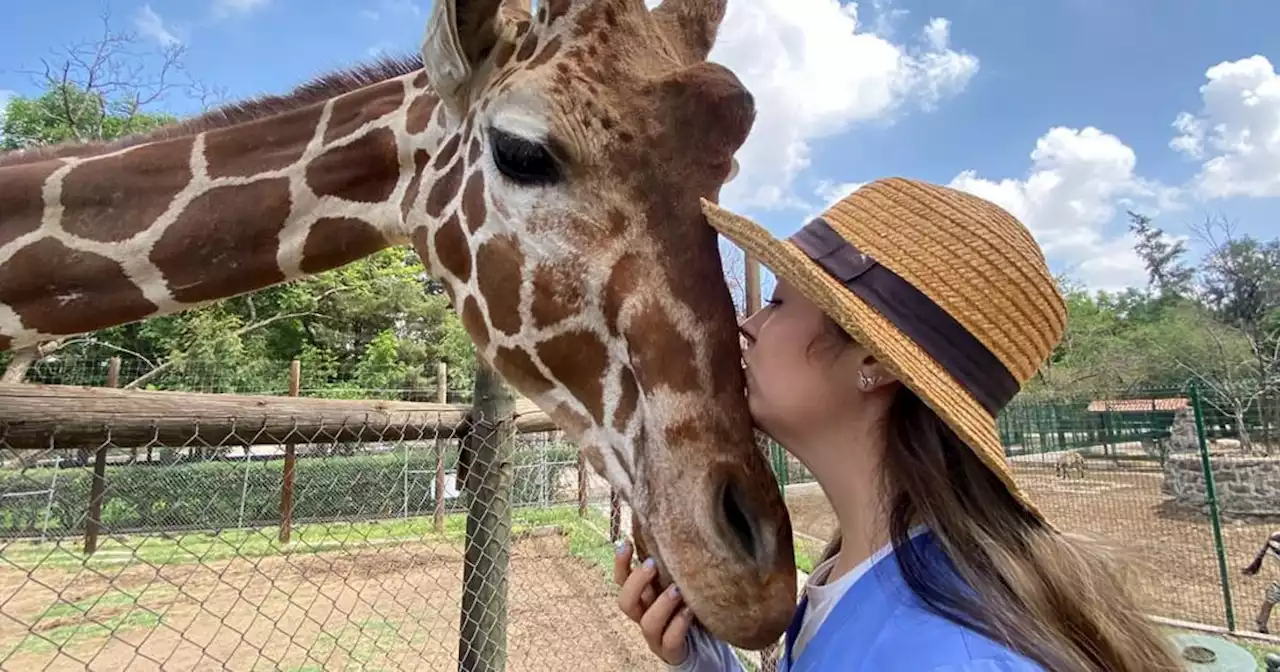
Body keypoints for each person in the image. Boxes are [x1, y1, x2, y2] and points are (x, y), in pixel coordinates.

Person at [612, 178, 1183, 671]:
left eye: (780, 303)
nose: (747, 324)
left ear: (874, 361)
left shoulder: (958, 656)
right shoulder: (859, 572)